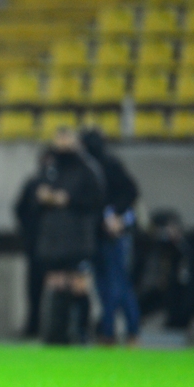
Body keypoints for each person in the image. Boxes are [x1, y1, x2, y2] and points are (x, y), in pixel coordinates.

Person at [35, 127, 105, 344]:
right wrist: (43, 196)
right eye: (59, 138)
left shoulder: (87, 168)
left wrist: (70, 200)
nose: (62, 143)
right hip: (53, 238)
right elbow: (35, 194)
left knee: (78, 285)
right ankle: (55, 334)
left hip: (78, 237)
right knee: (56, 282)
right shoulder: (50, 167)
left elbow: (97, 200)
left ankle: (81, 333)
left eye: (67, 139)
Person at [81, 129, 141, 345]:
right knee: (107, 284)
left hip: (113, 233)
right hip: (99, 233)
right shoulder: (94, 167)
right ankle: (113, 331)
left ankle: (120, 330)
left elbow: (131, 192)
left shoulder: (107, 166)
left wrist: (115, 214)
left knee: (117, 283)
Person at [14, 151, 47, 338]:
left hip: (43, 245)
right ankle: (35, 325)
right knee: (35, 288)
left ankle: (40, 326)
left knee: (42, 288)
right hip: (38, 244)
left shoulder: (36, 183)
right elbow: (19, 210)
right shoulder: (34, 184)